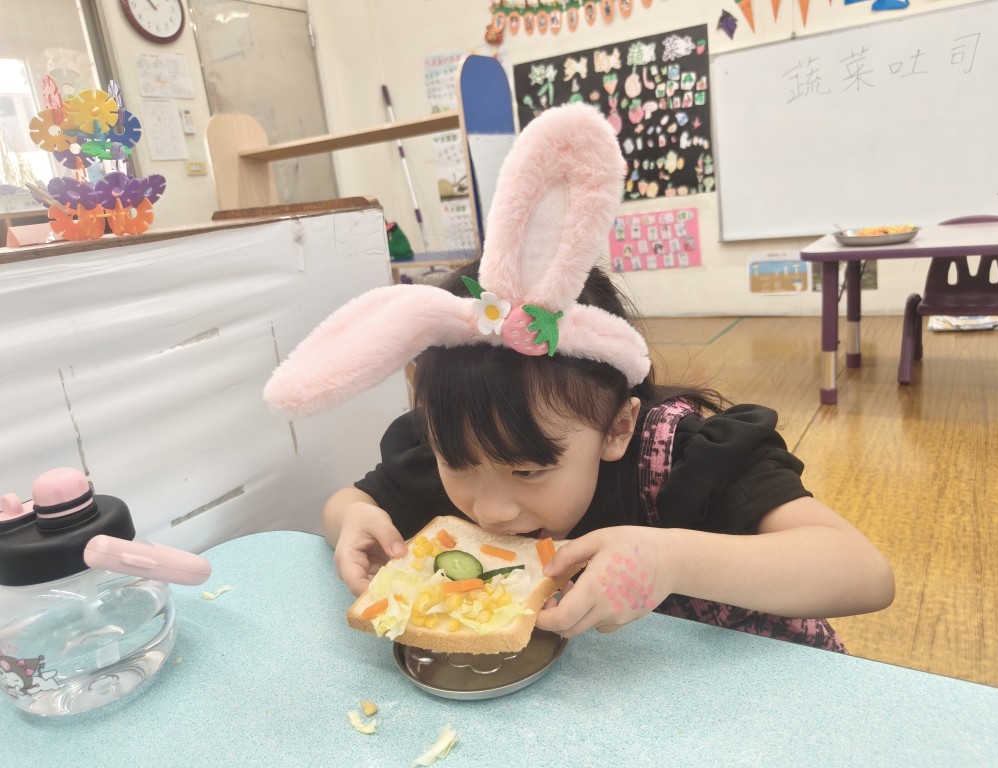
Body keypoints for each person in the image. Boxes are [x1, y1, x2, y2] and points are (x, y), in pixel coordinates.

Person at [264, 104, 894, 652]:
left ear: (617, 428)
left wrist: (672, 559)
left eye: (528, 472)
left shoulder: (685, 460)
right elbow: (353, 501)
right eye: (458, 463)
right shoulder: (455, 441)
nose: (491, 509)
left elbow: (863, 573)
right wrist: (350, 521)